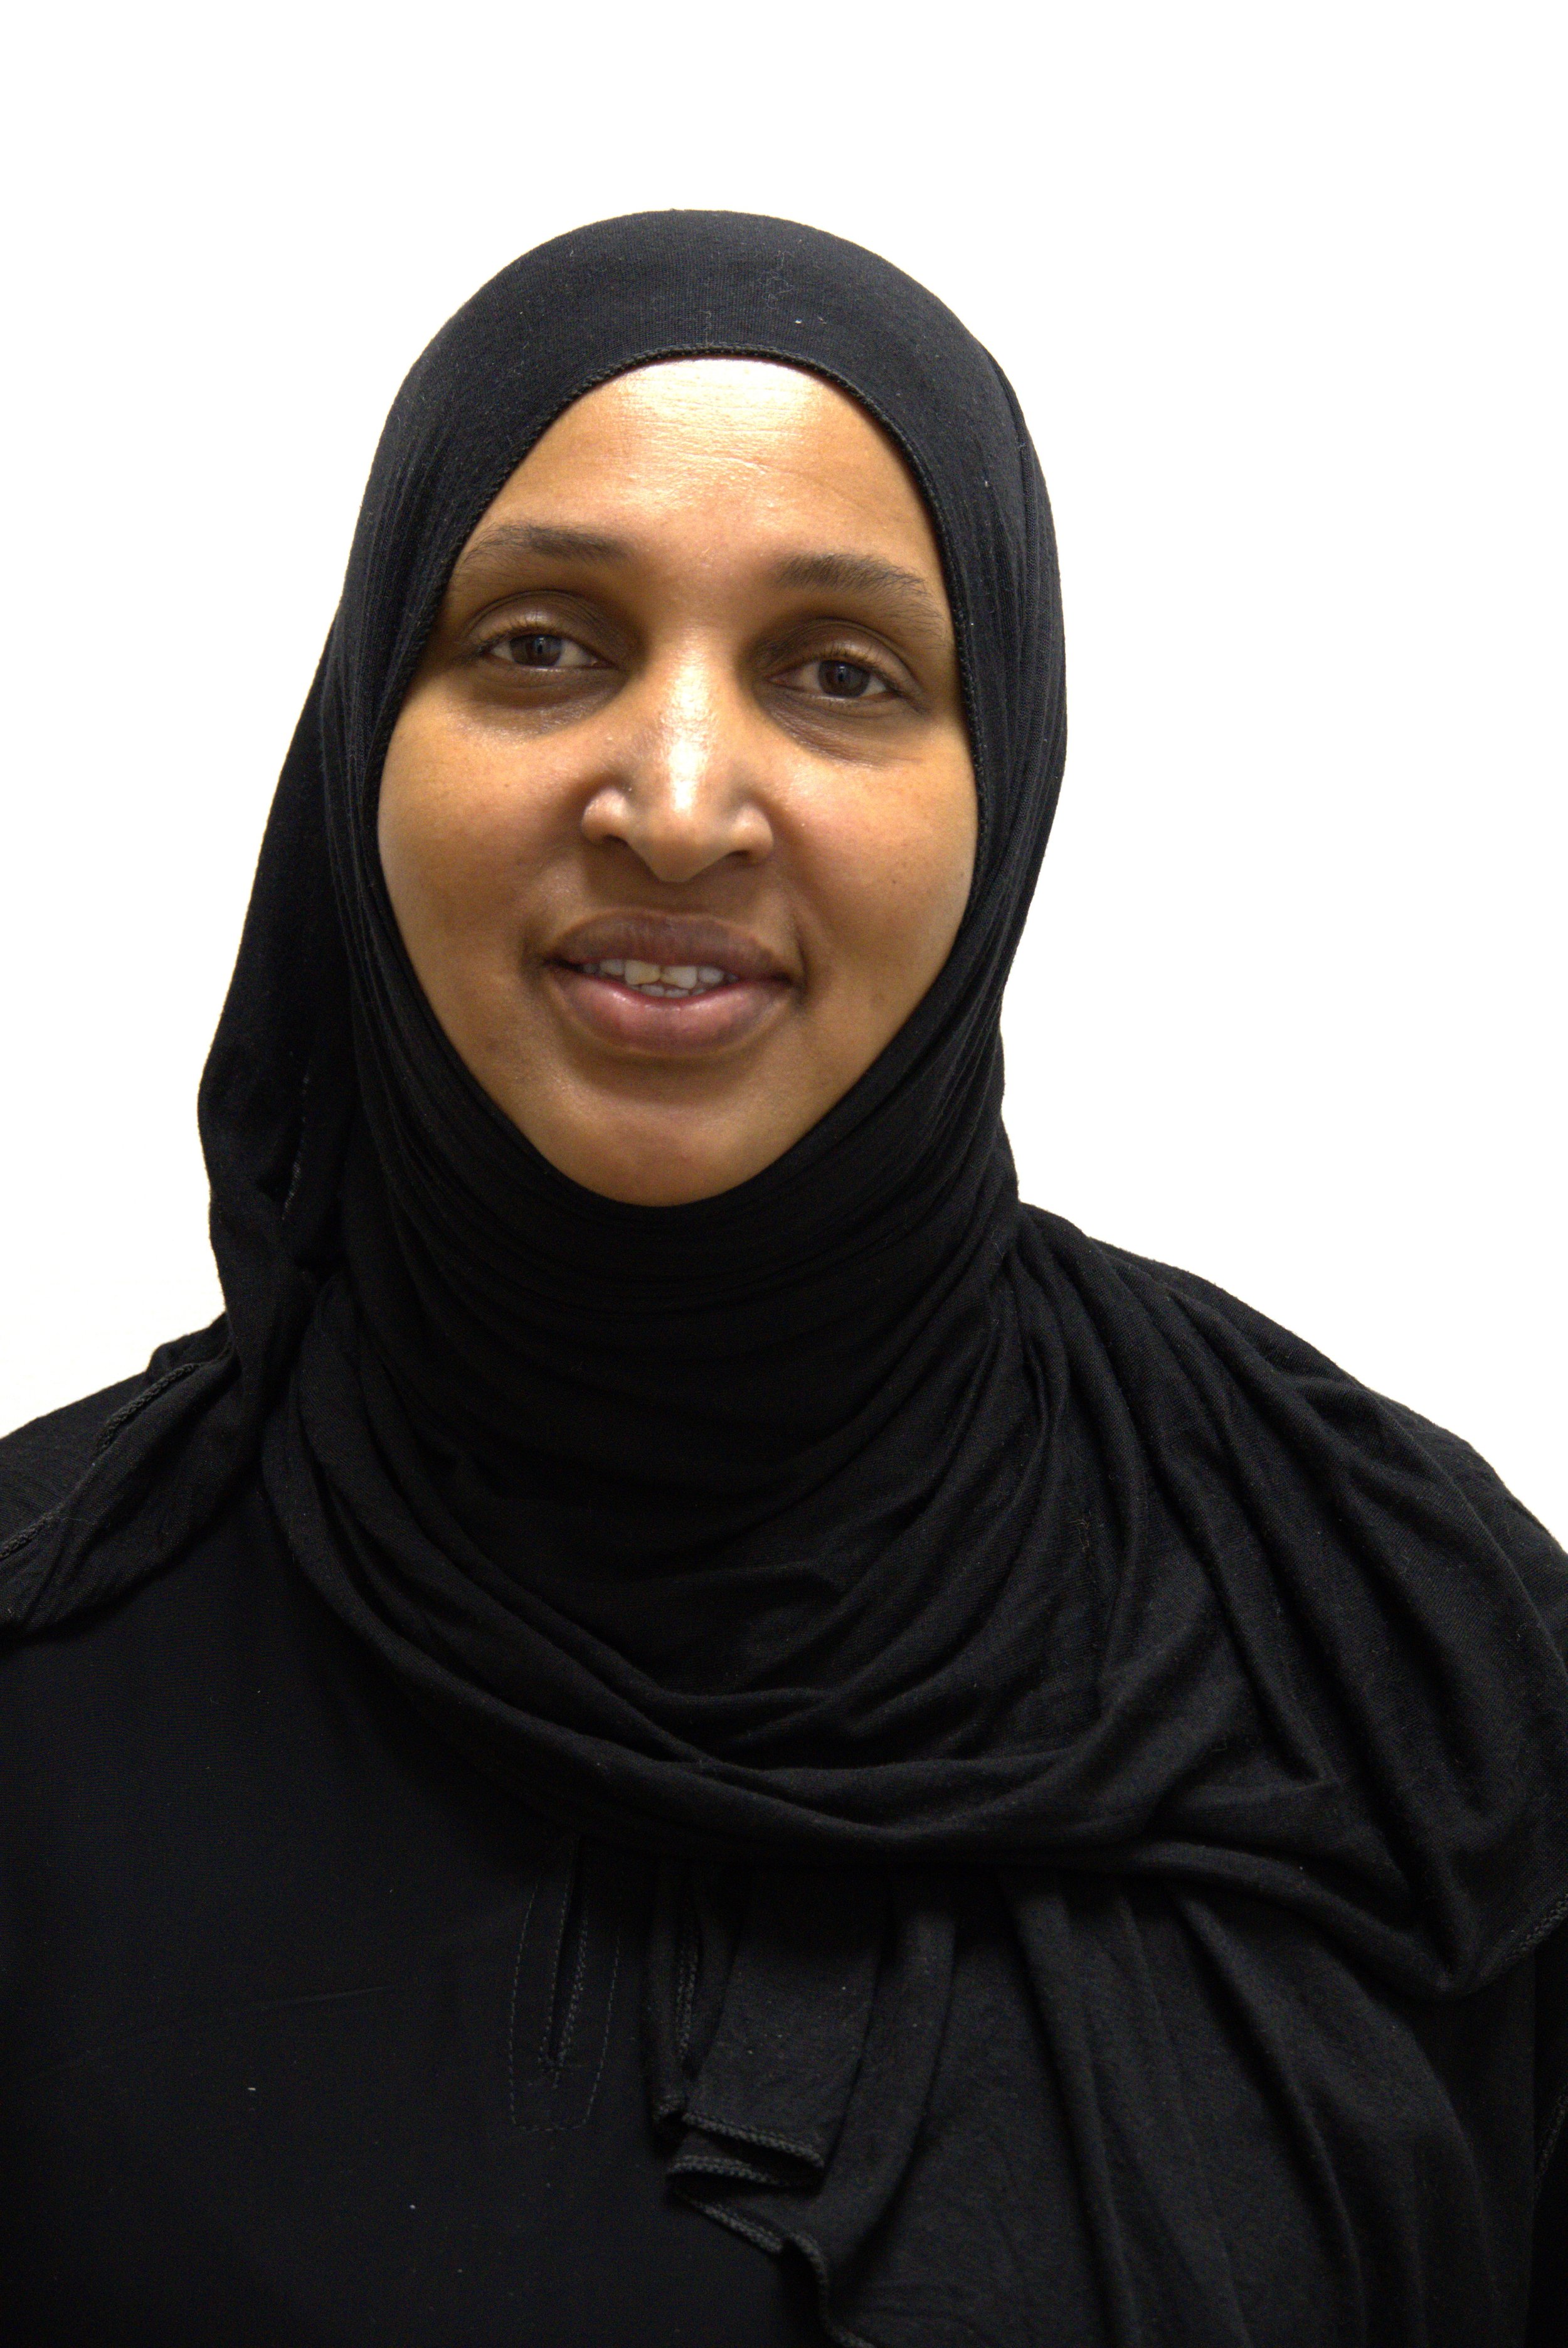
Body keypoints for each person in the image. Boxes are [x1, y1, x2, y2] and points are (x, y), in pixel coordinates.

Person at [1, 211, 1564, 2348]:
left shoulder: (1397, 1651)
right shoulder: (51, 1673)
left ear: (1000, 782)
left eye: (841, 675)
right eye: (539, 644)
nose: (675, 804)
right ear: (365, 735)